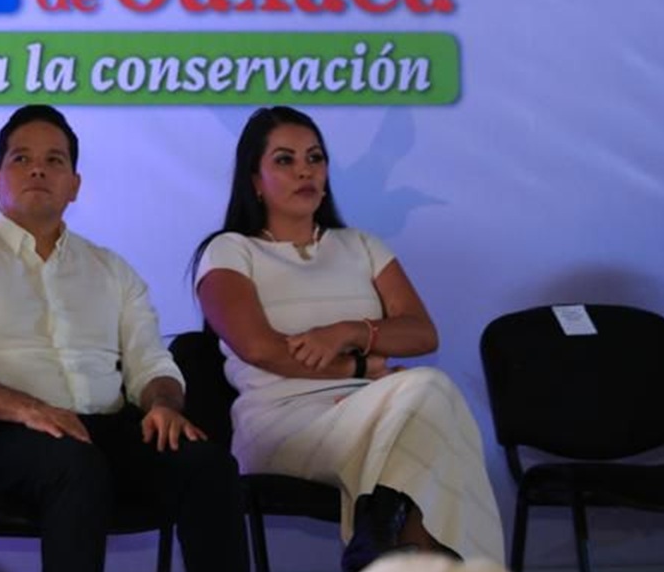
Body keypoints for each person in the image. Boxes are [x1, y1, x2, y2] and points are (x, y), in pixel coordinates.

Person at [0, 105, 248, 572]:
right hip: (6, 440)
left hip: (108, 433)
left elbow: (151, 364)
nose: (38, 170)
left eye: (55, 161)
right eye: (21, 159)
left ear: (75, 184)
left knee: (207, 466)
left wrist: (163, 404)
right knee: (75, 466)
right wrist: (31, 410)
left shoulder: (112, 269)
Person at [192, 106, 505, 572]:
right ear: (254, 179)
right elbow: (259, 348)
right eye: (285, 160)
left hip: (375, 413)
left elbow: (421, 331)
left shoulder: (362, 245)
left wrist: (350, 331)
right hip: (282, 423)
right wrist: (361, 368)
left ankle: (389, 547)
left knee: (418, 414)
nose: (305, 170)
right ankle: (430, 557)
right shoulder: (230, 250)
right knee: (427, 393)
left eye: (315, 158)